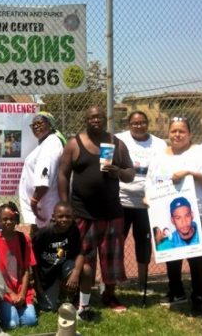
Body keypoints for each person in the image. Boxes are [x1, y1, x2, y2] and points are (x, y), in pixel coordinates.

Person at [57, 106, 135, 318]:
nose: (95, 120)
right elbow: (63, 174)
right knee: (83, 259)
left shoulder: (116, 144)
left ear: (105, 119)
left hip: (111, 212)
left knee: (111, 259)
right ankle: (80, 298)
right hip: (82, 212)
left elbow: (130, 174)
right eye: (91, 117)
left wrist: (118, 171)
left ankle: (109, 295)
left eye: (99, 117)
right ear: (85, 119)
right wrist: (65, 205)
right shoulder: (75, 143)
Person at [146, 117, 202, 315]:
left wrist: (189, 173)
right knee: (171, 255)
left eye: (181, 131)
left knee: (197, 259)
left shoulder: (200, 152)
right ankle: (176, 291)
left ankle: (199, 298)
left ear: (189, 133)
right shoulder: (160, 155)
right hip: (167, 216)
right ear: (168, 133)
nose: (177, 135)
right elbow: (150, 182)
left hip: (198, 214)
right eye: (173, 131)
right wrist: (147, 197)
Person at [116, 111, 166, 293]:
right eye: (135, 123)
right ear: (129, 124)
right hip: (121, 200)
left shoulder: (159, 144)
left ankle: (142, 282)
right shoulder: (119, 140)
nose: (139, 126)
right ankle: (118, 278)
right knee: (117, 241)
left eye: (142, 122)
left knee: (143, 242)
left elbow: (163, 170)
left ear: (147, 123)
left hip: (147, 203)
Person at [0, 202, 38, 330]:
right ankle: (5, 309)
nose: (8, 222)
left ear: (17, 220)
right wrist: (11, 294)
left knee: (30, 321)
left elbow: (26, 269)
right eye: (4, 219)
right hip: (3, 291)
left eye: (12, 219)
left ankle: (20, 307)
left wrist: (22, 294)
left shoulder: (24, 239)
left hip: (21, 289)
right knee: (12, 324)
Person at [32, 202, 84, 312]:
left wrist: (75, 273)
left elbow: (80, 252)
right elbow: (33, 261)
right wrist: (38, 284)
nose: (64, 219)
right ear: (53, 217)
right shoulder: (43, 234)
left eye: (68, 216)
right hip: (47, 273)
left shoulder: (73, 230)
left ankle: (69, 295)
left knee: (84, 269)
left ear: (73, 217)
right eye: (60, 216)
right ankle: (55, 291)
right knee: (49, 307)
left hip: (64, 266)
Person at [19, 111, 65, 231]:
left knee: (47, 238)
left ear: (50, 125)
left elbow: (44, 176)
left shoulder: (51, 142)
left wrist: (34, 201)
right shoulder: (45, 143)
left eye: (40, 123)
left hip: (46, 204)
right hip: (43, 204)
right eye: (33, 125)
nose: (35, 126)